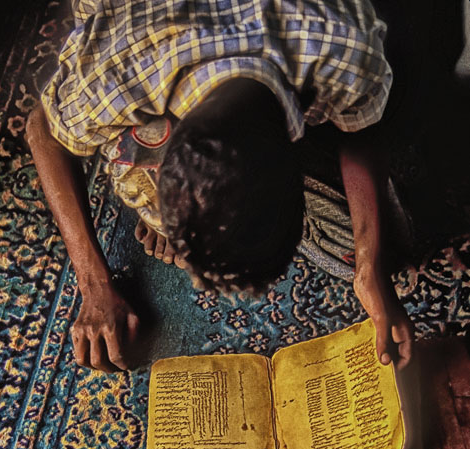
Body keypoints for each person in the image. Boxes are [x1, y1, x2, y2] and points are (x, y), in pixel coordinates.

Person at [27, 0, 416, 374]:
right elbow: (41, 129)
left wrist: (370, 266)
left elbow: (361, 131)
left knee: (382, 242)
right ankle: (158, 196)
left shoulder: (344, 46)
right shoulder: (108, 77)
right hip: (139, 39)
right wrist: (93, 283)